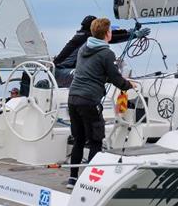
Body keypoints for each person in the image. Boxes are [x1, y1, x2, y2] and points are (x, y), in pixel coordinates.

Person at [66, 17, 134, 188]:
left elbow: (95, 71)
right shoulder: (107, 53)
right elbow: (115, 78)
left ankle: (72, 179)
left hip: (73, 97)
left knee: (79, 139)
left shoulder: (84, 48)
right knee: (96, 140)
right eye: (110, 30)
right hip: (89, 100)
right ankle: (89, 182)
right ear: (107, 33)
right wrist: (129, 84)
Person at [52, 15, 150, 87]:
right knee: (93, 75)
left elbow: (111, 34)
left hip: (61, 71)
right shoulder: (86, 37)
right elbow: (111, 38)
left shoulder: (84, 35)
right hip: (61, 72)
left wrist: (130, 31)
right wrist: (134, 35)